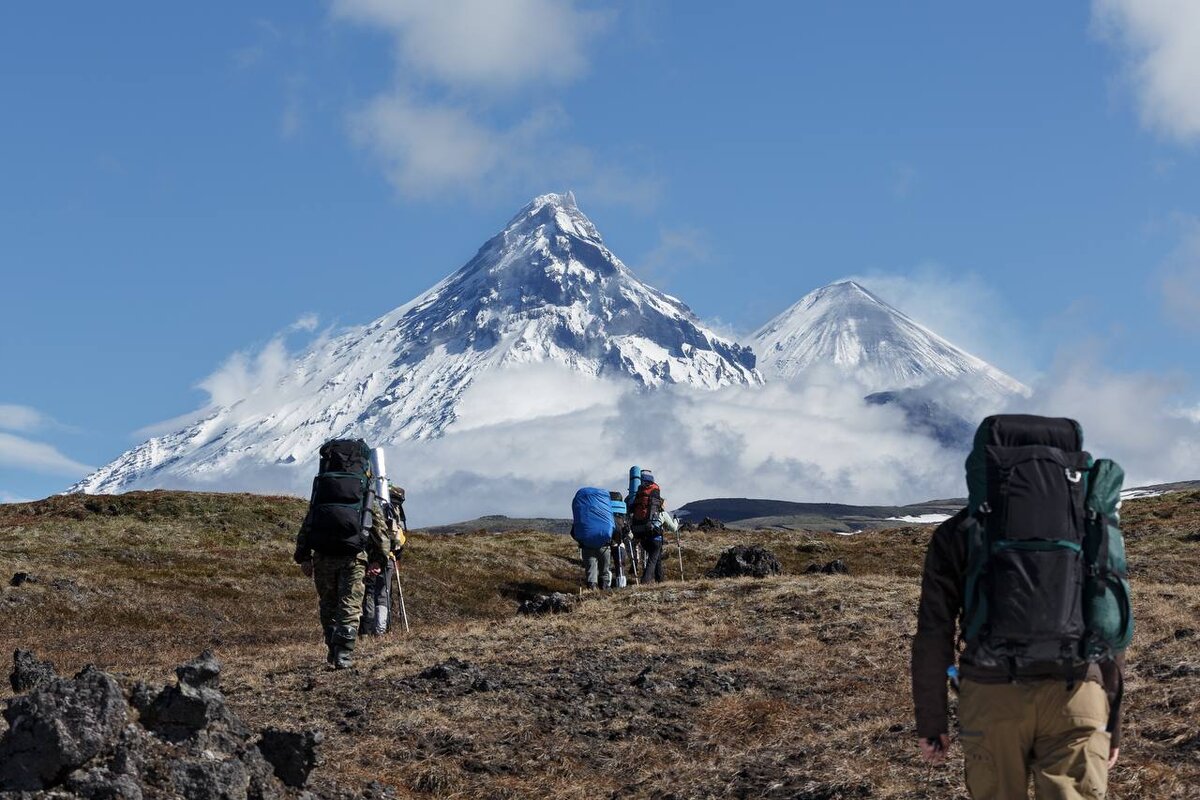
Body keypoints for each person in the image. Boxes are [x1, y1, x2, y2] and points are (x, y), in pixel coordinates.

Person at [912, 416, 1126, 799]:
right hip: (1078, 693)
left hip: (992, 697)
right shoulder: (1090, 525)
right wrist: (1112, 724)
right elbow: (1110, 622)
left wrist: (932, 720)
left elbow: (934, 633)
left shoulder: (959, 532)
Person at [294, 494, 388, 670]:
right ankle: (343, 654)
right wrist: (379, 559)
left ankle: (332, 648)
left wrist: (304, 557)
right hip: (353, 558)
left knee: (328, 604)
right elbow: (380, 531)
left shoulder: (323, 495)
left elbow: (308, 525)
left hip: (323, 558)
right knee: (350, 605)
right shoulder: (364, 495)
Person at [361, 485, 407, 636]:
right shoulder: (393, 511)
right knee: (382, 593)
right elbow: (399, 539)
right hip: (388, 557)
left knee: (368, 592)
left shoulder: (368, 506)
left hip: (366, 555)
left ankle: (366, 630)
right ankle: (380, 630)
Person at [570, 487, 614, 590]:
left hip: (587, 545)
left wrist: (581, 540)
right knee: (605, 569)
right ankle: (605, 589)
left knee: (590, 571)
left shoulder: (584, 515)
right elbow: (613, 527)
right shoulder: (605, 512)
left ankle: (592, 589)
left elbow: (574, 532)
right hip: (604, 544)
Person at [629, 469, 667, 583]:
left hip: (641, 533)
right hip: (654, 534)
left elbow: (631, 509)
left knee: (656, 557)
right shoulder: (655, 495)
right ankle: (645, 581)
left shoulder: (639, 494)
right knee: (653, 559)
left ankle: (660, 580)